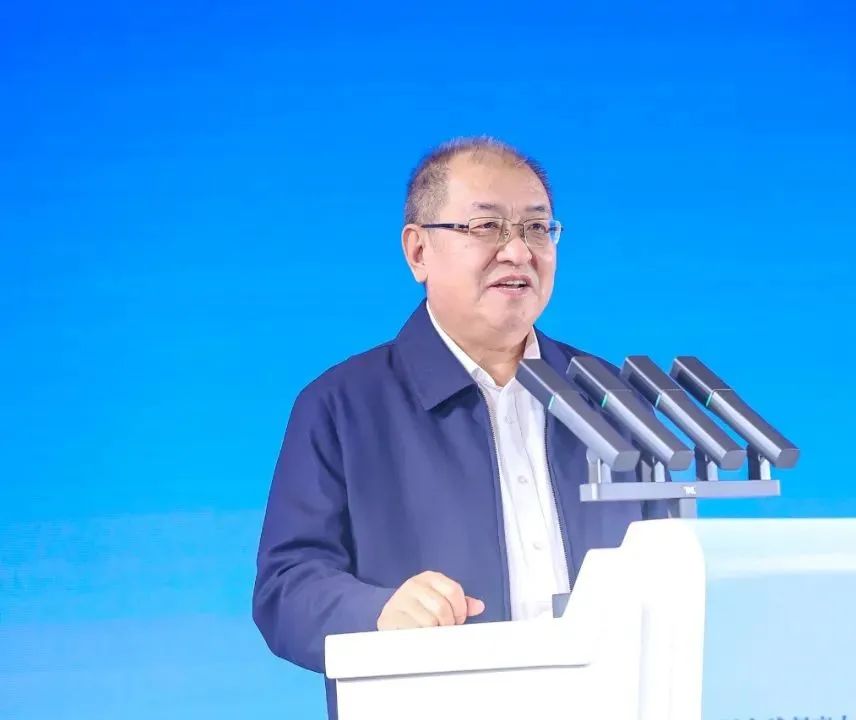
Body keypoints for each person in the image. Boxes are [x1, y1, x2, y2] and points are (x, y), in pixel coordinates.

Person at [252, 136, 646, 719]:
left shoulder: (612, 400)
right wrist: (377, 611)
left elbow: (673, 570)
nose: (518, 251)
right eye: (486, 227)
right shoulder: (342, 406)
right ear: (418, 252)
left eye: (537, 228)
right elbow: (285, 590)